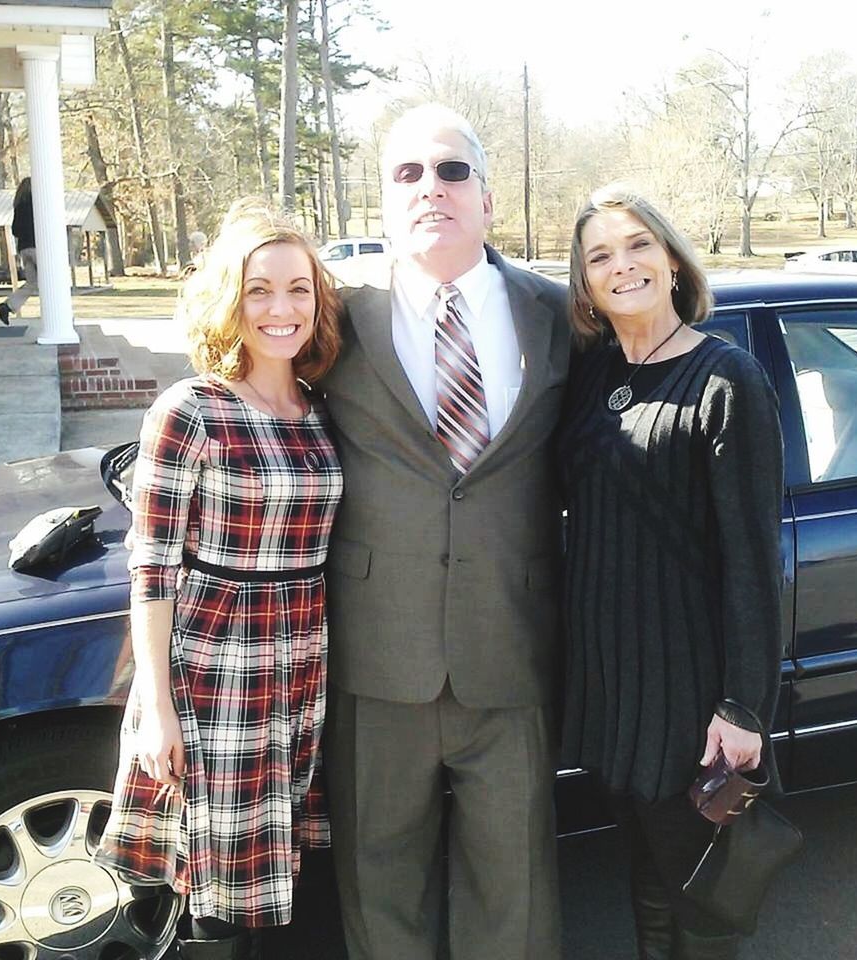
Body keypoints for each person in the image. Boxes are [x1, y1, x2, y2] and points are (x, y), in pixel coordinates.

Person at [319, 103, 570, 960]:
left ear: (488, 198)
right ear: (384, 203)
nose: (432, 188)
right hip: (377, 653)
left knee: (518, 894)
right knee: (381, 886)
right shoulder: (333, 320)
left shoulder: (559, 314)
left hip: (513, 648)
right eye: (408, 174)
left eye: (453, 170)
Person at [94, 199, 343, 958]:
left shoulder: (321, 410)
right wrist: (158, 709)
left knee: (293, 871)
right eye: (259, 289)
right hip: (218, 664)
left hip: (305, 656)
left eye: (298, 289)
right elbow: (152, 566)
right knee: (218, 883)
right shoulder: (191, 409)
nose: (281, 308)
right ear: (228, 300)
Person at [558, 185, 784, 960]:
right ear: (584, 283)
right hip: (612, 686)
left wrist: (744, 707)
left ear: (672, 259)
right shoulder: (593, 375)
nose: (622, 266)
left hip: (686, 695)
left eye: (637, 245)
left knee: (700, 898)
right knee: (647, 878)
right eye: (600, 256)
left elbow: (753, 557)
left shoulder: (726, 380)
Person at [0, 177, 37, 325]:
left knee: (32, 283)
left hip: (24, 250)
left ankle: (8, 306)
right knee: (52, 278)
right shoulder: (36, 202)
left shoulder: (18, 205)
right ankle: (59, 317)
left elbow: (15, 230)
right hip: (37, 247)